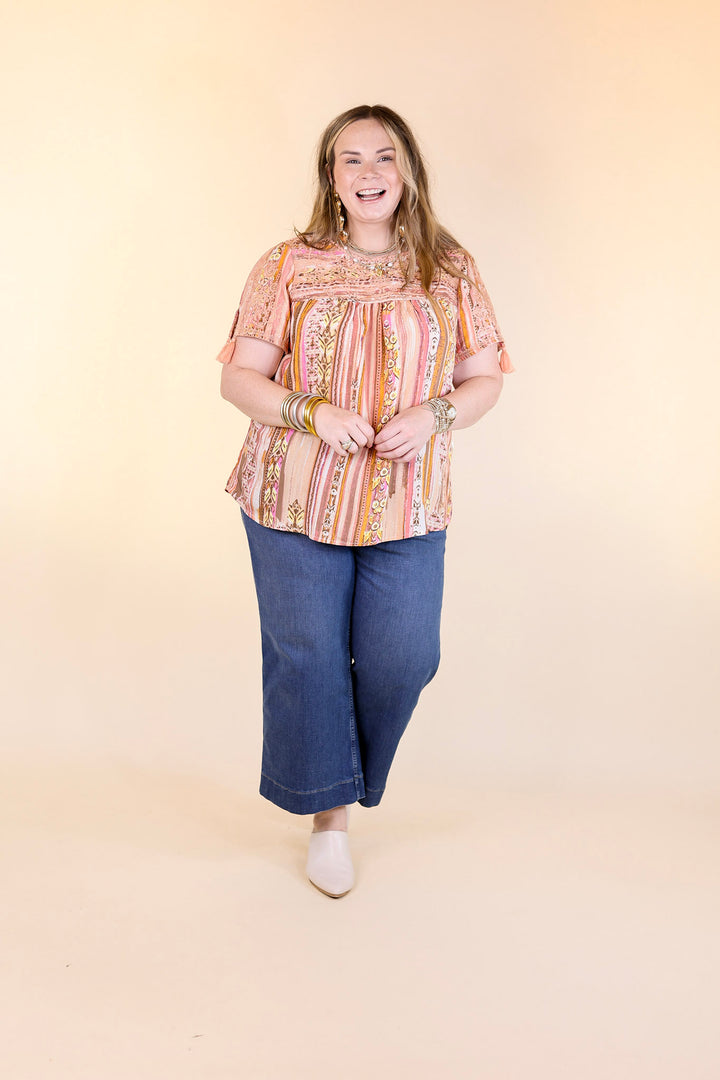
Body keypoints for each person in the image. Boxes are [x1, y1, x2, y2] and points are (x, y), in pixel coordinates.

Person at [216, 104, 514, 899]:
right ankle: (331, 818)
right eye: (351, 159)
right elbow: (239, 378)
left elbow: (484, 379)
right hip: (292, 494)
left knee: (403, 657)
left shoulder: (450, 269)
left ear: (408, 170)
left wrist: (436, 414)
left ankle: (339, 772)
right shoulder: (288, 264)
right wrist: (309, 411)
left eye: (384, 156)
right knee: (309, 657)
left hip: (406, 501)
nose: (369, 172)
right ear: (332, 177)